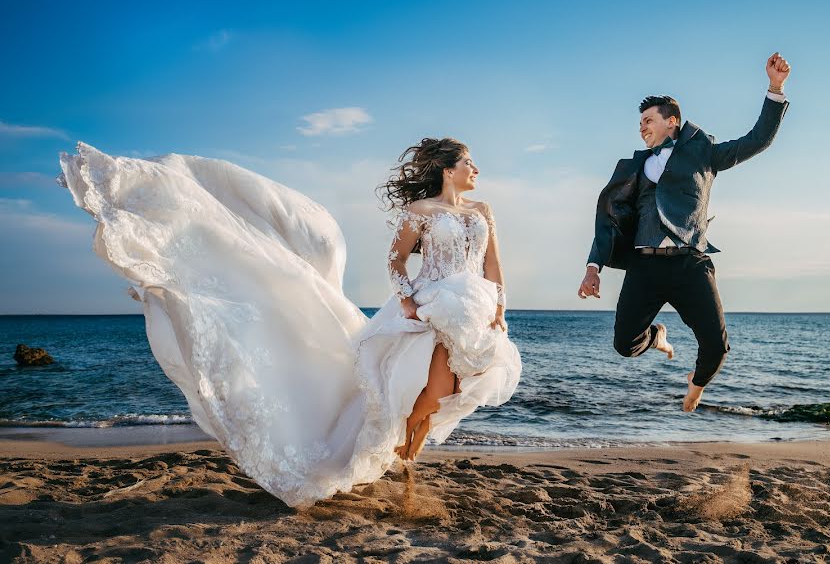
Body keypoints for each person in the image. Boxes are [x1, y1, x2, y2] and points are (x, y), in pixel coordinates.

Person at [57, 137, 520, 507]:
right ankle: (408, 449)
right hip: (431, 303)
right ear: (448, 169)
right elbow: (396, 262)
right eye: (470, 163)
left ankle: (408, 444)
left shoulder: (483, 213)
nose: (476, 170)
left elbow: (493, 265)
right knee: (431, 390)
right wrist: (408, 303)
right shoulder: (420, 213)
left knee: (461, 386)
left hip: (474, 305)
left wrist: (499, 309)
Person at [578, 52, 791, 412]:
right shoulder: (634, 166)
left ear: (672, 121)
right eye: (639, 123)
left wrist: (775, 87)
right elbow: (609, 219)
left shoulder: (703, 154)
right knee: (624, 345)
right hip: (644, 266)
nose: (642, 127)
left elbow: (756, 140)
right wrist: (593, 267)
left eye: (648, 120)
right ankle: (658, 336)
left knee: (716, 346)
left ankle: (696, 385)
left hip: (690, 264)